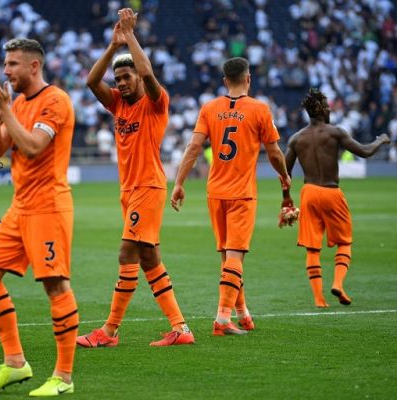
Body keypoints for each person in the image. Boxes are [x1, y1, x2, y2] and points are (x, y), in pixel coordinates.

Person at [77, 8, 194, 348]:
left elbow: (147, 70)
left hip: (148, 187)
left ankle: (109, 331)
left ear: (139, 79)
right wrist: (114, 47)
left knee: (126, 252)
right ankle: (180, 329)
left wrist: (130, 37)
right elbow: (90, 81)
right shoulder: (117, 105)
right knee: (149, 259)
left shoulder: (156, 104)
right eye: (119, 79)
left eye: (127, 77)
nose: (122, 83)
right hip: (129, 191)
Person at [0, 38, 79, 396]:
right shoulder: (17, 102)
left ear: (34, 66)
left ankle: (63, 377)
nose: (6, 70)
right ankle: (16, 363)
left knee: (55, 286)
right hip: (21, 207)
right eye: (5, 64)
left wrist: (5, 111)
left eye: (13, 64)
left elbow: (33, 147)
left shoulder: (56, 101)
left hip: (49, 207)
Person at [171, 57, 291, 336]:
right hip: (242, 194)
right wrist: (284, 176)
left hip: (215, 193)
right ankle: (222, 320)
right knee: (235, 256)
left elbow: (192, 148)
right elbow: (274, 152)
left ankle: (242, 313)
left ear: (225, 81)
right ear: (248, 79)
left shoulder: (209, 108)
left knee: (229, 259)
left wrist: (179, 183)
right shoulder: (260, 109)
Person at [283, 88, 390, 307]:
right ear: (322, 110)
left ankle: (319, 299)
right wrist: (380, 140)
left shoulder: (296, 139)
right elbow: (365, 151)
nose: (330, 109)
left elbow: (285, 173)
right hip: (331, 192)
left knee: (312, 247)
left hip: (309, 193)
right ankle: (339, 284)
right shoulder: (335, 132)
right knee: (344, 242)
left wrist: (287, 199)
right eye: (328, 106)